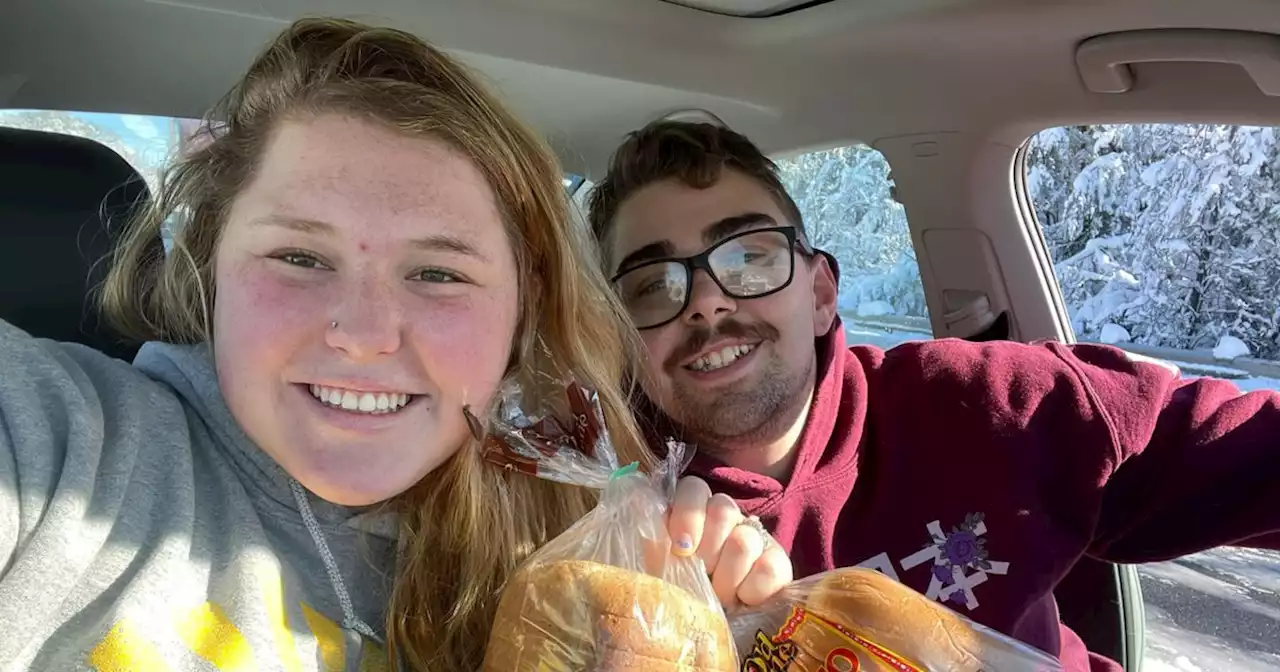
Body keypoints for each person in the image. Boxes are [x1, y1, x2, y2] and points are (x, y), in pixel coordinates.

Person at [0, 22, 791, 672]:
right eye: (301, 258)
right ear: (211, 270)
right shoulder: (67, 452)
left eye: (438, 272)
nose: (367, 336)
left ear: (523, 313)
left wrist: (697, 622)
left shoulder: (560, 542)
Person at [586, 120, 1280, 671]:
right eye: (652, 286)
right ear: (619, 336)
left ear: (822, 295)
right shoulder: (599, 520)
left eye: (748, 257)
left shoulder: (990, 407)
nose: (705, 303)